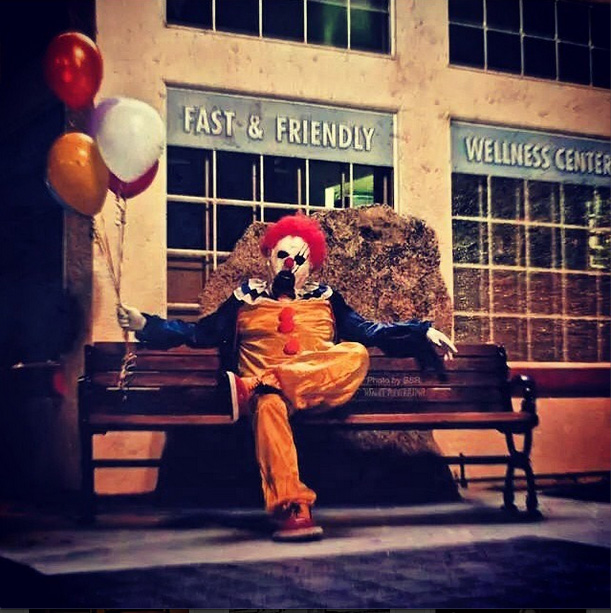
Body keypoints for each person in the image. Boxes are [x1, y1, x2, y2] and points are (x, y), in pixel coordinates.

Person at [118, 213, 457, 541]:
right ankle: (291, 507)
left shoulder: (326, 298)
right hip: (268, 400)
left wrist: (421, 332)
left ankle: (259, 384)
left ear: (312, 266)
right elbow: (199, 333)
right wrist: (146, 324)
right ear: (268, 257)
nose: (290, 264)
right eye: (282, 255)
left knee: (355, 353)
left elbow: (370, 331)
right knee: (268, 403)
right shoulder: (244, 298)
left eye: (300, 259)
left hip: (313, 390)